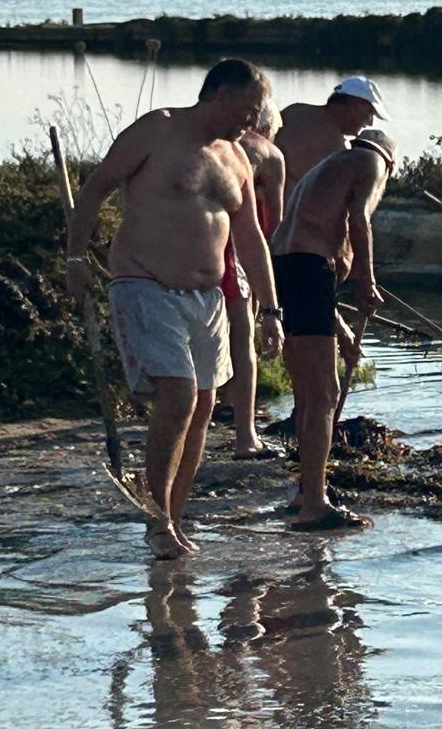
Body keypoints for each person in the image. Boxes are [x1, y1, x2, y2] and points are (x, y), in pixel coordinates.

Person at [65, 58, 284, 559]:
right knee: (180, 395)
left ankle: (174, 517)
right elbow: (96, 188)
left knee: (206, 405)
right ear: (220, 95)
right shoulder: (157, 130)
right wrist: (76, 257)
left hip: (207, 299)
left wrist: (271, 311)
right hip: (145, 283)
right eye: (248, 111)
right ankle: (157, 518)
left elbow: (250, 238)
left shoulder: (237, 159)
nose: (252, 123)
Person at [270, 129, 396, 529]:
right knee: (323, 394)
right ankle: (315, 504)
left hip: (287, 267)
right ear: (390, 161)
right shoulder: (371, 162)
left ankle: (306, 491)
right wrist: (366, 281)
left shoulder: (329, 166)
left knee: (310, 394)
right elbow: (359, 218)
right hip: (308, 269)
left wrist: (339, 327)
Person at [216, 97, 286, 458]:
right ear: (265, 127)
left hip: (201, 243)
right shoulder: (268, 154)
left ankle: (221, 404)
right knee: (242, 340)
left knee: (208, 333)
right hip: (237, 248)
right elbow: (276, 222)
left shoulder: (213, 142)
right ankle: (246, 436)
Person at [276, 76, 389, 195]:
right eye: (369, 112)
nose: (370, 122)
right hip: (292, 208)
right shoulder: (339, 150)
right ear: (355, 103)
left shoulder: (294, 111)